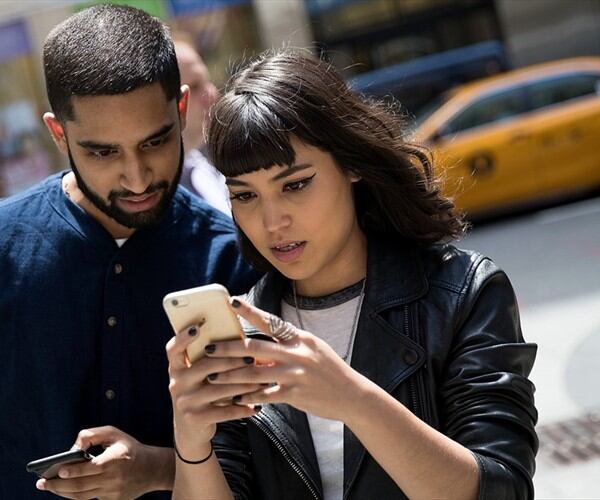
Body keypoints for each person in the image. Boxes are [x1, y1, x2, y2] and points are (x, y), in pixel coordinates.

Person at [0, 5, 260, 500]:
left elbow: (263, 453)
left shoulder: (233, 256)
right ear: (58, 135)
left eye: (155, 141)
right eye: (103, 152)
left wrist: (156, 470)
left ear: (181, 110)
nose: (137, 177)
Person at [166, 50, 538, 500]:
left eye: (295, 184)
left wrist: (353, 399)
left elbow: (503, 489)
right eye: (245, 196)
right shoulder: (241, 333)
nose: (272, 221)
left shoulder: (463, 291)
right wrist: (191, 443)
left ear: (352, 164)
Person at [173, 35, 231, 216]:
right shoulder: (149, 196)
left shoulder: (203, 168)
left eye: (208, 81)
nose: (212, 94)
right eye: (196, 86)